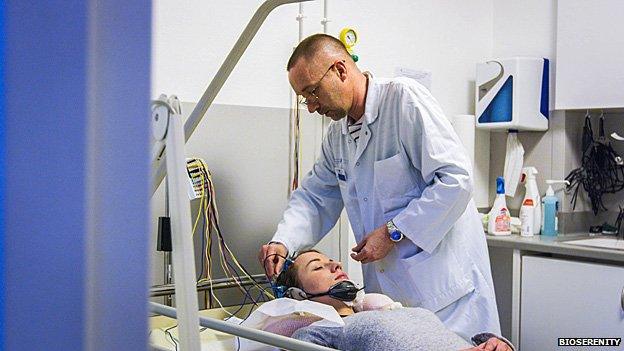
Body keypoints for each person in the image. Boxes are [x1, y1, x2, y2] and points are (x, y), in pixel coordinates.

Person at [259, 33, 500, 338]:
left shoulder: (403, 100)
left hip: (448, 298)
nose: (310, 107)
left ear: (340, 70)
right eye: (304, 98)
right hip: (391, 306)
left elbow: (456, 180)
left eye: (313, 92)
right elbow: (314, 198)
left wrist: (392, 232)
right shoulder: (338, 139)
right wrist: (284, 242)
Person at [273, 250, 513, 351]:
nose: (335, 265)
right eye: (318, 268)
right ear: (298, 295)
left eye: (332, 261)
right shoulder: (325, 330)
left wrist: (497, 343)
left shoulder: (389, 309)